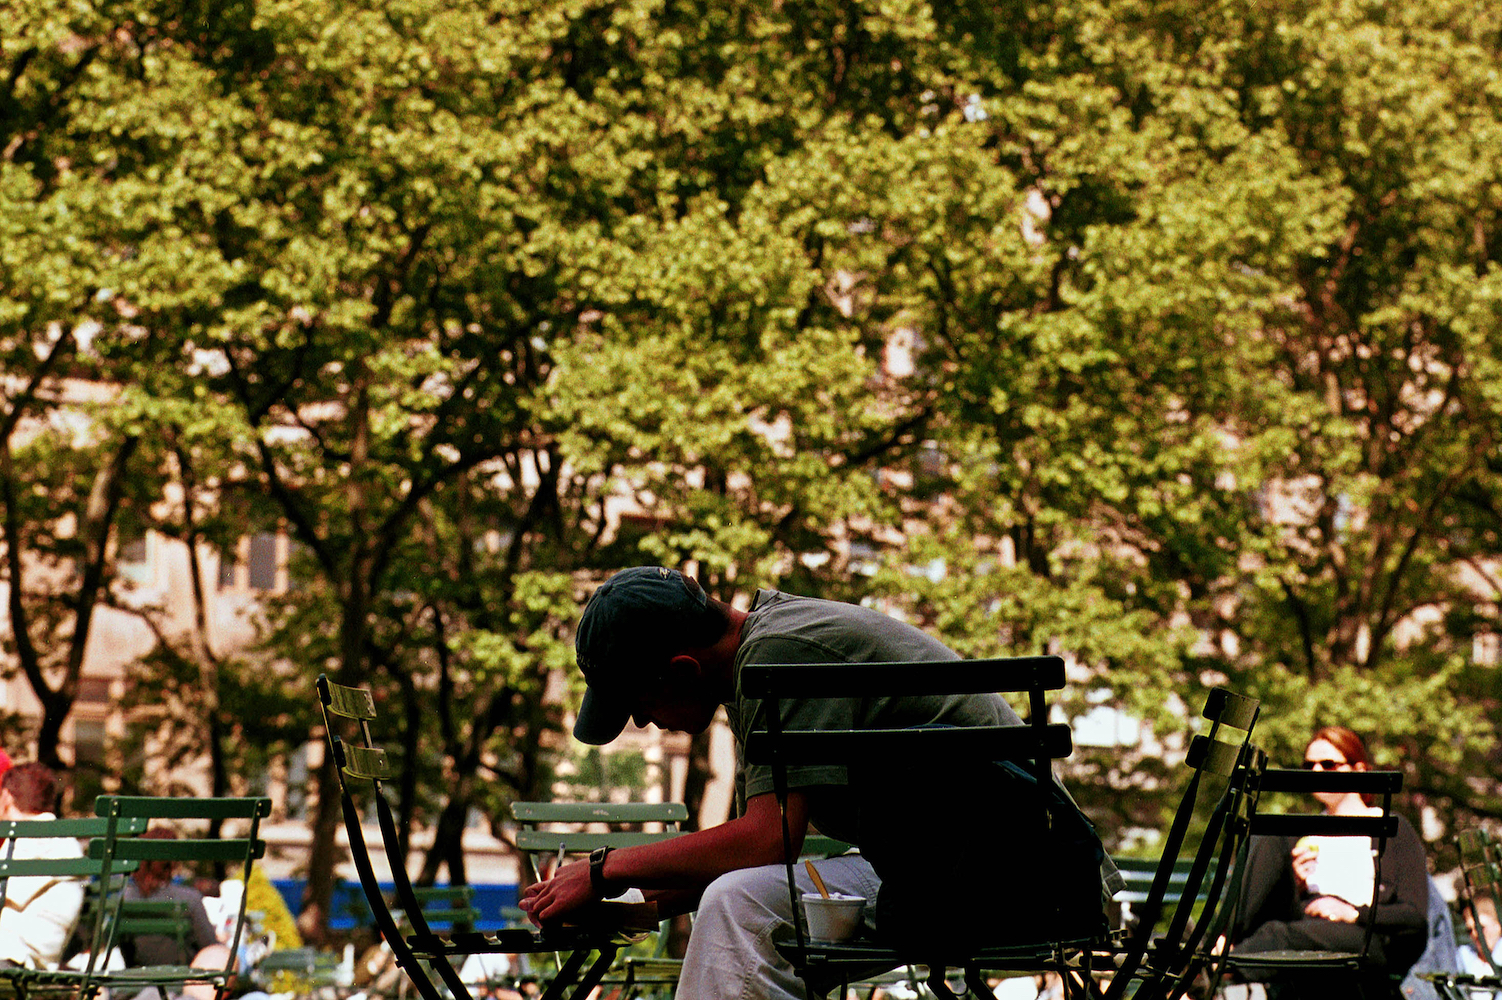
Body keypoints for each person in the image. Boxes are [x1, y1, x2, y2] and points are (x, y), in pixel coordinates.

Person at [518, 566, 1112, 1000]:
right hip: (955, 867)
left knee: (739, 907)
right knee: (742, 900)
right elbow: (762, 845)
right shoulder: (768, 645)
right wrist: (645, 903)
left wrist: (602, 869)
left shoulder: (777, 659)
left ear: (682, 669)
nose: (643, 722)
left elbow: (766, 844)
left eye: (639, 703)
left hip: (1022, 877)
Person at [1232, 726, 1429, 996]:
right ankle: (1222, 938)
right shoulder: (1300, 835)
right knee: (1269, 834)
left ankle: (1215, 965)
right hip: (1303, 932)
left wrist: (1353, 912)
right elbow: (1275, 908)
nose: (1316, 772)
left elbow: (1414, 916)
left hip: (1364, 937)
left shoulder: (1389, 828)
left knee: (1279, 937)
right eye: (1309, 765)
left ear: (1359, 770)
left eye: (1328, 764)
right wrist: (1296, 885)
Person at [0, 761, 86, 968]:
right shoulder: (65, 840)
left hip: (15, 956)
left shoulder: (27, 840)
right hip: (39, 956)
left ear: (6, 797)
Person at [118, 828, 220, 967]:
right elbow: (210, 947)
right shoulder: (189, 898)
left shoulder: (124, 899)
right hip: (183, 979)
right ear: (172, 861)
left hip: (139, 979)